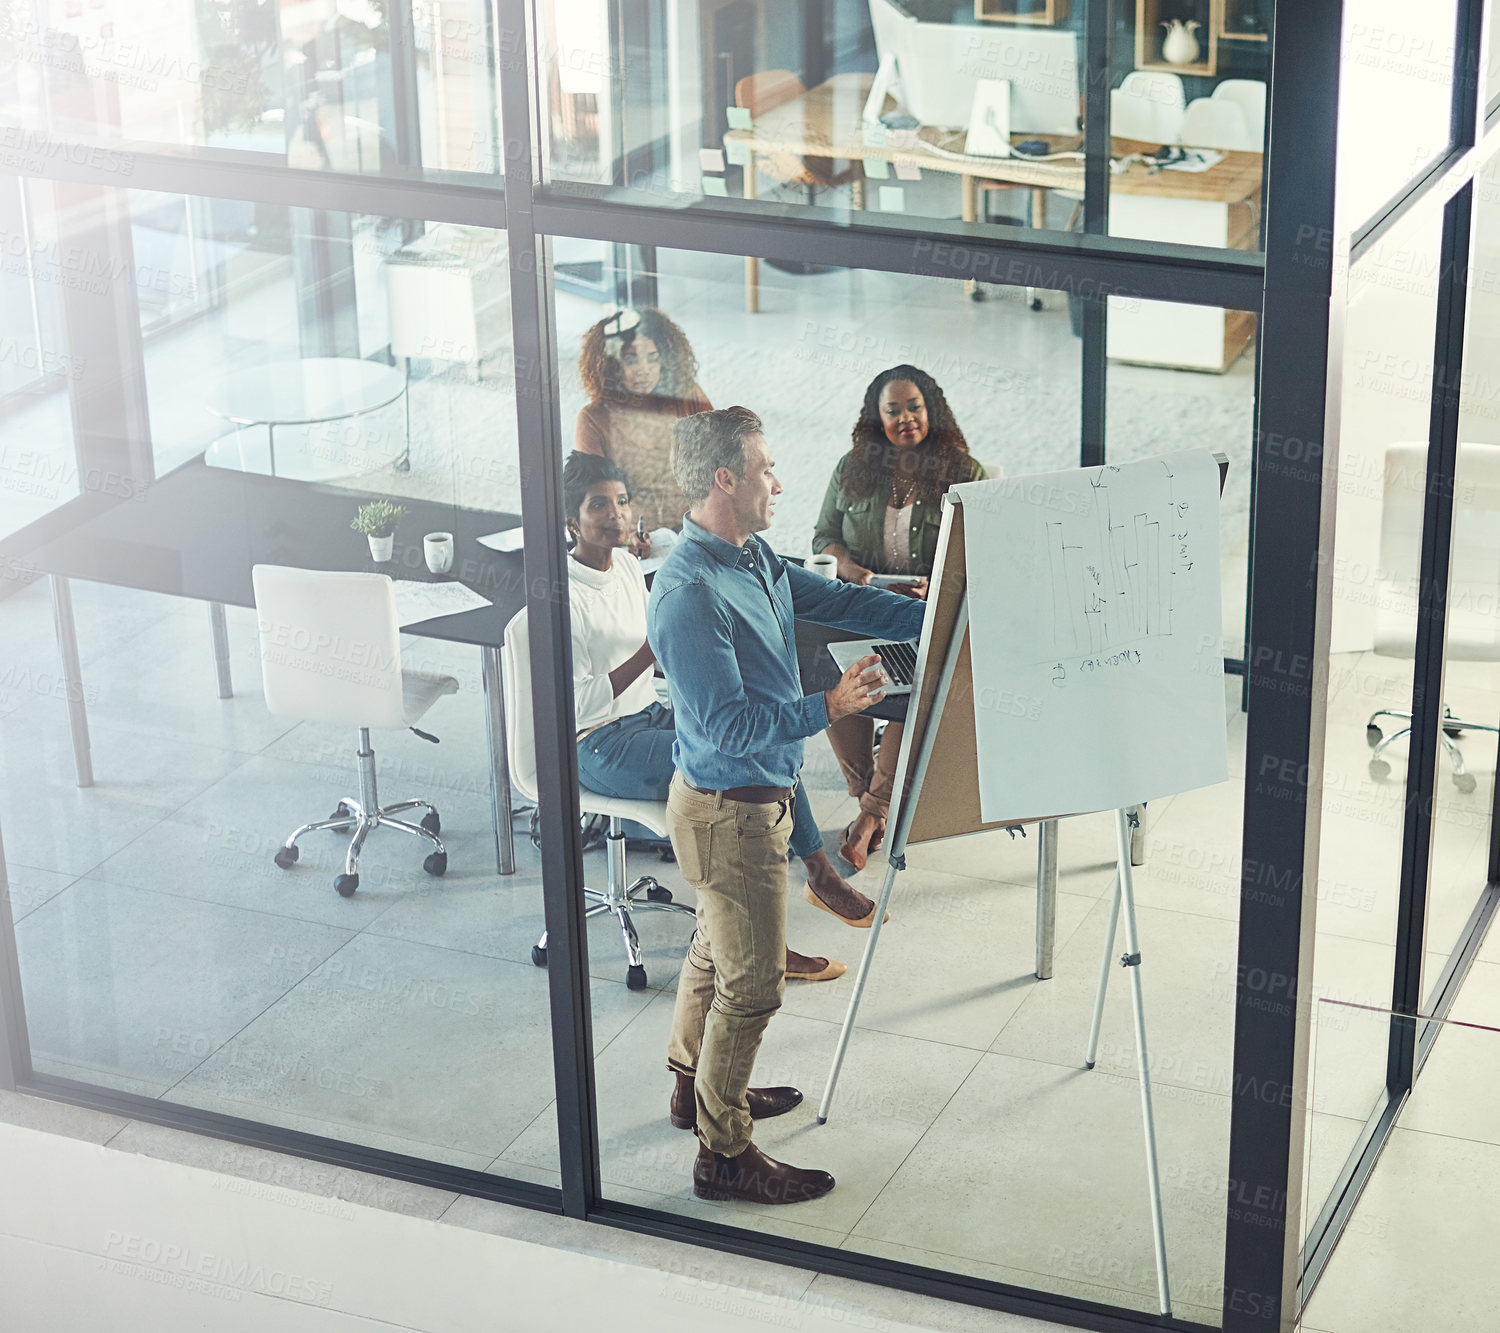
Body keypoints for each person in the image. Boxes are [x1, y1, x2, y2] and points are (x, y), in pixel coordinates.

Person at [649, 406, 926, 1206]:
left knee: (712, 949)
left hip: (751, 803)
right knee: (753, 985)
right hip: (727, 811)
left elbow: (852, 606)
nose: (780, 480)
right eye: (766, 466)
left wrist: (941, 613)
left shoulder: (753, 557)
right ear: (724, 479)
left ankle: (692, 1089)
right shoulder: (690, 595)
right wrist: (830, 703)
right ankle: (723, 1152)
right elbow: (729, 725)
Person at [563, 451, 882, 986]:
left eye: (622, 501)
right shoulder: (563, 599)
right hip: (597, 742)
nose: (617, 515)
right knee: (745, 747)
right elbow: (577, 705)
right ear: (572, 520)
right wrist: (654, 645)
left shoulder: (621, 562)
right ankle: (775, 932)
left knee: (766, 732)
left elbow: (671, 545)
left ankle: (817, 875)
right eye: (600, 506)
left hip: (645, 714)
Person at [811, 365, 987, 871]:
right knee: (826, 668)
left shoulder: (964, 471)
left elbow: (983, 554)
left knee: (912, 688)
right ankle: (871, 790)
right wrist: (850, 569)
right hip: (862, 607)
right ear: (876, 417)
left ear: (932, 409)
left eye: (914, 407)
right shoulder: (853, 467)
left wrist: (940, 582)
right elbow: (823, 534)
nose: (906, 418)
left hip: (927, 617)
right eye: (893, 410)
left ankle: (872, 813)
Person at [574, 307, 711, 534]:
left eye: (653, 358)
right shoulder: (592, 419)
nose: (644, 371)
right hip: (631, 537)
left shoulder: (687, 396)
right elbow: (594, 500)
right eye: (631, 360)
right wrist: (626, 537)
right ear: (611, 364)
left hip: (696, 529)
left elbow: (721, 462)